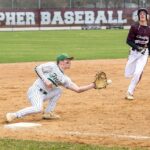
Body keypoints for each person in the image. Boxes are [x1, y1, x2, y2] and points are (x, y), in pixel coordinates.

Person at [6, 53, 96, 122]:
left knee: (59, 90)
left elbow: (78, 89)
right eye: (67, 60)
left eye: (70, 60)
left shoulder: (65, 79)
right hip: (35, 90)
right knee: (38, 108)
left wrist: (92, 85)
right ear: (60, 61)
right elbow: (37, 68)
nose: (69, 62)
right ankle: (14, 115)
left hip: (45, 95)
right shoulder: (52, 66)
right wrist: (45, 80)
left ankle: (48, 113)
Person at [125, 8, 150, 100]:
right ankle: (138, 74)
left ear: (147, 16)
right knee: (128, 74)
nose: (142, 15)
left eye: (144, 13)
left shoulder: (149, 29)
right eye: (140, 14)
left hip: (144, 54)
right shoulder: (134, 27)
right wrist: (138, 48)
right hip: (134, 53)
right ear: (139, 16)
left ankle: (129, 92)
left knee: (137, 73)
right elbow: (128, 41)